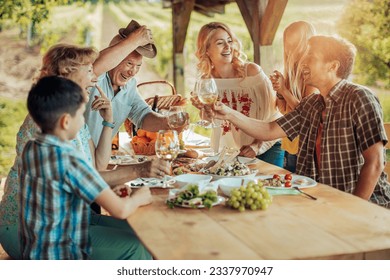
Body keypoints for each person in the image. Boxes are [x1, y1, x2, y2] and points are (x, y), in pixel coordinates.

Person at [0, 44, 170, 259]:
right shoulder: (49, 129)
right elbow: (95, 183)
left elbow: (96, 167)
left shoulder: (66, 116)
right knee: (134, 247)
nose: (94, 78)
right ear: (67, 73)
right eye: (89, 71)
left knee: (147, 234)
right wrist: (140, 173)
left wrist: (109, 122)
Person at [209, 35, 390, 208]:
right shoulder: (311, 104)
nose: (303, 62)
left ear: (332, 66)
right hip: (320, 200)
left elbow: (375, 163)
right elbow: (269, 129)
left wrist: (352, 209)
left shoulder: (359, 97)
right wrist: (228, 113)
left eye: (311, 56)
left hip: (365, 205)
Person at [19, 76, 153, 259]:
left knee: (142, 231)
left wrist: (106, 189)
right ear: (66, 122)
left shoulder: (33, 147)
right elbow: (121, 210)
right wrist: (139, 197)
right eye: (81, 115)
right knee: (135, 245)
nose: (83, 122)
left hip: (37, 242)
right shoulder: (70, 160)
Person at [191, 22, 284, 167]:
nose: (228, 47)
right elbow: (211, 120)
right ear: (207, 50)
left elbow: (273, 114)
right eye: (220, 43)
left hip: (267, 147)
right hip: (233, 151)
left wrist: (257, 146)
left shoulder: (252, 72)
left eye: (229, 41)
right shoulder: (206, 81)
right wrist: (204, 110)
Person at [85, 20, 177, 145]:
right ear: (115, 57)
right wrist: (135, 40)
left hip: (99, 159)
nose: (133, 72)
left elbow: (143, 115)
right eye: (129, 63)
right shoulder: (96, 77)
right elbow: (94, 67)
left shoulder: (130, 86)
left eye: (138, 66)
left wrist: (168, 122)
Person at [270, 21, 318, 173]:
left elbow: (307, 112)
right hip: (291, 144)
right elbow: (285, 112)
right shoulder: (291, 72)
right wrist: (279, 90)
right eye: (287, 43)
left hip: (307, 147)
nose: (289, 49)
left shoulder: (313, 74)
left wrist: (284, 90)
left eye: (294, 43)